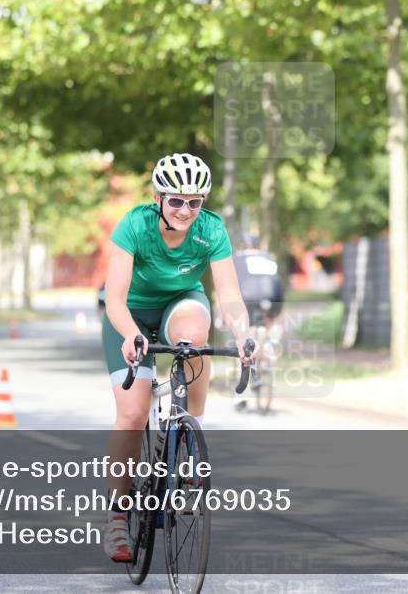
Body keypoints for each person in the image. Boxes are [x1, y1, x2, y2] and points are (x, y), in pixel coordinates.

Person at [100, 152, 256, 562]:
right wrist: (132, 335)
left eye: (195, 202)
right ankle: (118, 515)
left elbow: (231, 297)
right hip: (129, 313)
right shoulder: (135, 224)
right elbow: (114, 298)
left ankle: (190, 434)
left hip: (180, 303)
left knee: (194, 338)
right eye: (176, 201)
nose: (186, 210)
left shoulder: (212, 230)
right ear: (158, 198)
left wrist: (244, 333)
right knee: (133, 414)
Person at [230, 238, 284, 410]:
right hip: (273, 294)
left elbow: (230, 286)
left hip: (248, 295)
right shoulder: (268, 257)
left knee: (246, 337)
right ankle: (271, 346)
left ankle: (241, 394)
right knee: (274, 319)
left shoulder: (238, 258)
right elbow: (277, 281)